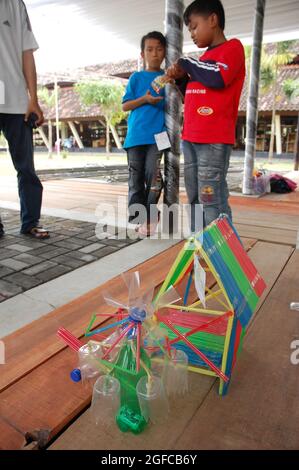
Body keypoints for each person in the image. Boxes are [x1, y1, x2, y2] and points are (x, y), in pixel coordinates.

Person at [167, 0, 245, 231]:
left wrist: (184, 62)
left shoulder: (232, 48)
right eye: (189, 29)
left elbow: (217, 78)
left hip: (213, 139)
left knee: (211, 200)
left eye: (193, 26)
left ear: (213, 20)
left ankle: (223, 258)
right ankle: (200, 248)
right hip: (191, 137)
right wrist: (182, 80)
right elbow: (194, 94)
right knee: (194, 199)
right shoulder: (203, 63)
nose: (191, 33)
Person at [0, 0, 49, 239]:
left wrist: (34, 99)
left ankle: (30, 222)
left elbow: (26, 52)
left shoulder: (15, 4)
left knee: (26, 168)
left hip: (16, 101)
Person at [122, 31, 168, 237]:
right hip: (135, 137)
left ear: (165, 52)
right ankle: (139, 218)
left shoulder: (168, 79)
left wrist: (172, 90)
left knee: (154, 175)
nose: (155, 54)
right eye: (150, 50)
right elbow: (125, 105)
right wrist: (145, 99)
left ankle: (151, 214)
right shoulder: (136, 77)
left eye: (159, 49)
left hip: (159, 136)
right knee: (135, 177)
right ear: (142, 54)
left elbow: (175, 106)